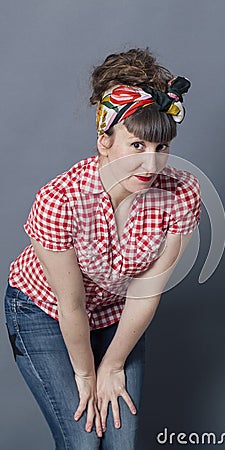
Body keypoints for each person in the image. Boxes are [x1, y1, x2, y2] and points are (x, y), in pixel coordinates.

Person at [4, 47, 201, 450]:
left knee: (121, 442)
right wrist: (87, 376)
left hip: (117, 312)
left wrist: (112, 363)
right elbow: (70, 305)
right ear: (105, 141)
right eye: (137, 146)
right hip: (45, 311)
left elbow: (147, 293)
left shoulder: (182, 192)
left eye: (161, 148)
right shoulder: (60, 200)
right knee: (83, 440)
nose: (151, 165)